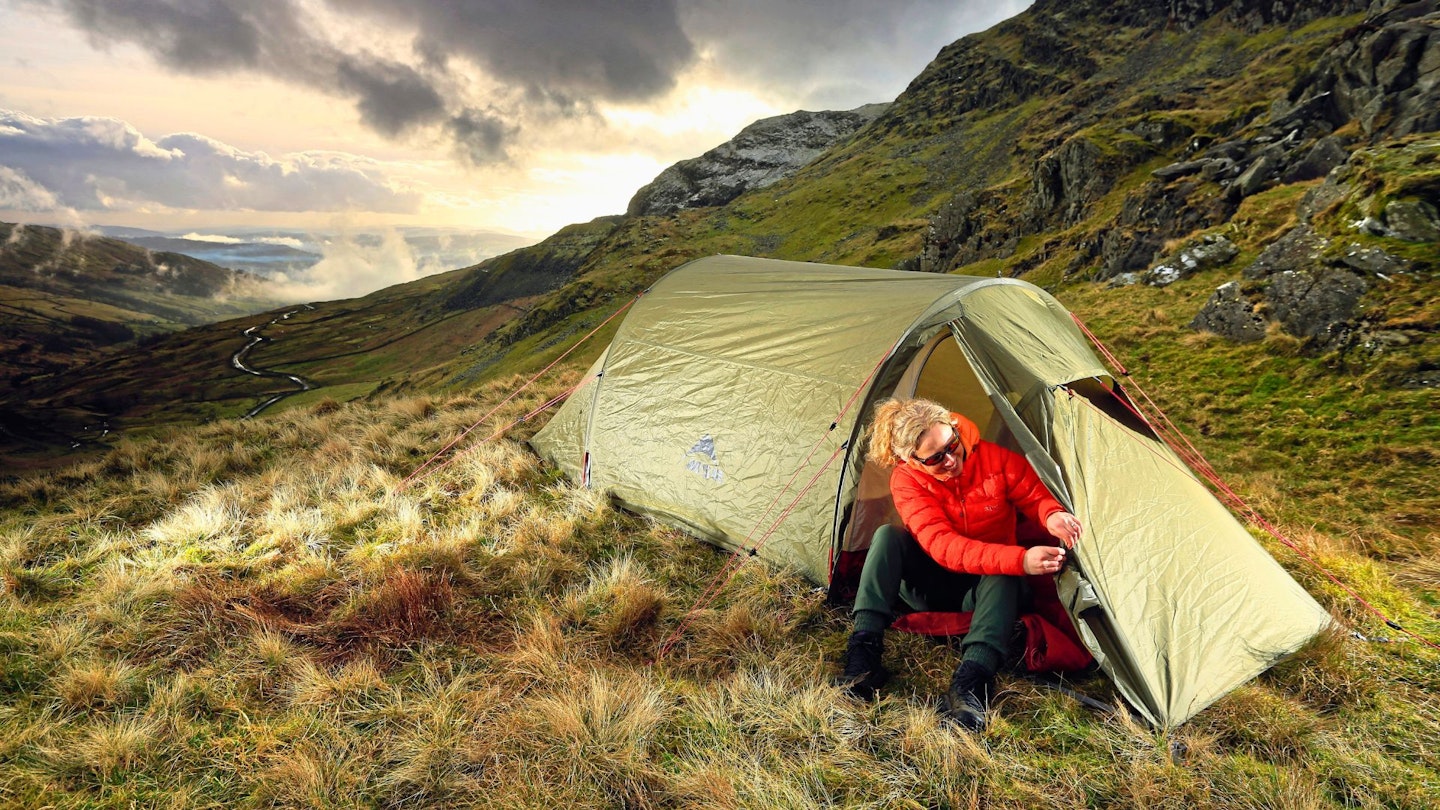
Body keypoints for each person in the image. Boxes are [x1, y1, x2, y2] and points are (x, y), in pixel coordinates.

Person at [840, 397, 1082, 732]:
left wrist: (1051, 515)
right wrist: (1022, 558)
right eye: (936, 459)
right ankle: (864, 652)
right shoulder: (906, 481)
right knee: (887, 536)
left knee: (1004, 570)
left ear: (955, 430)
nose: (952, 460)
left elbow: (1033, 493)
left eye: (952, 445)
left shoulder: (993, 459)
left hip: (987, 593)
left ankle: (972, 682)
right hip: (934, 584)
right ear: (910, 460)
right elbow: (944, 547)